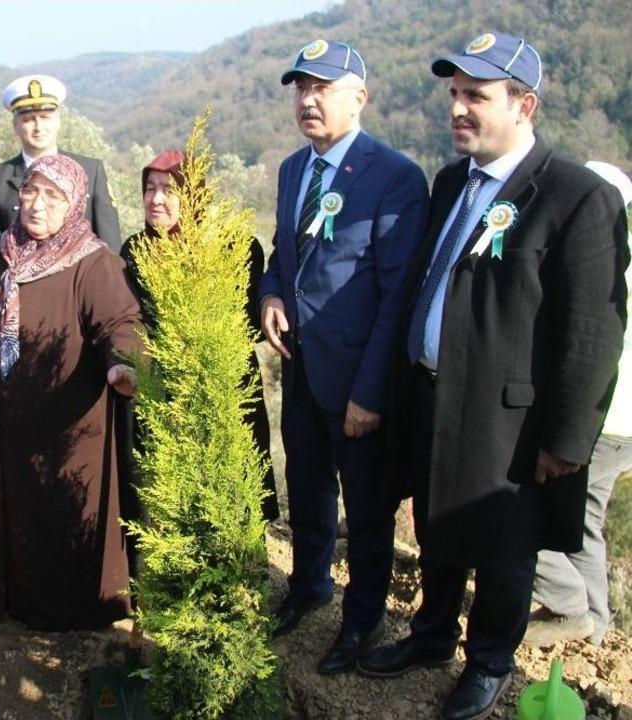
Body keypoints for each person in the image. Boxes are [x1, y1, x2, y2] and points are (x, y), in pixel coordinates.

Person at [359, 33, 628, 720]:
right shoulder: (452, 182)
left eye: (475, 96)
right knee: (436, 522)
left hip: (509, 419)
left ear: (524, 104)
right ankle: (430, 635)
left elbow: (594, 331)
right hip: (431, 394)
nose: (457, 108)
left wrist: (567, 440)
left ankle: (487, 663)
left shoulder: (575, 197)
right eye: (454, 94)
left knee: (504, 549)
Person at [257, 40, 428, 674]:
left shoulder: (395, 177)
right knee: (306, 491)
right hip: (300, 367)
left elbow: (396, 297)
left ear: (360, 97)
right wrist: (271, 295)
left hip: (359, 379)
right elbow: (283, 255)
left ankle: (361, 621)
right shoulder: (292, 170)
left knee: (368, 508)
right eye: (301, 88)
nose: (308, 99)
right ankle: (308, 589)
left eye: (322, 88)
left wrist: (371, 392)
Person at [0, 154, 141, 630]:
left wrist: (122, 366)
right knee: (1, 503)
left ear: (74, 203)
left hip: (64, 426)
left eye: (53, 196)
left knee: (54, 512)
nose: (37, 205)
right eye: (31, 192)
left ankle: (60, 613)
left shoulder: (92, 262)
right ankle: (0, 590)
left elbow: (121, 325)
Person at [120, 150, 279, 526]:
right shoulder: (135, 250)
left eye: (169, 189)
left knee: (233, 506)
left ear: (193, 194)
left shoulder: (235, 247)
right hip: (161, 395)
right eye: (149, 188)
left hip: (225, 393)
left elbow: (248, 327)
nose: (156, 199)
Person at [524, 161, 632, 648]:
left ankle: (570, 604)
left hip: (601, 419)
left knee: (531, 506)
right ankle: (595, 625)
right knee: (588, 518)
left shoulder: (601, 262)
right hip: (622, 426)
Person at [0, 74, 122, 251]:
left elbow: (110, 241)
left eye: (45, 117)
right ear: (15, 126)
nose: (38, 127)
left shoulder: (90, 171)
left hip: (84, 275)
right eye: (28, 119)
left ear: (58, 121)